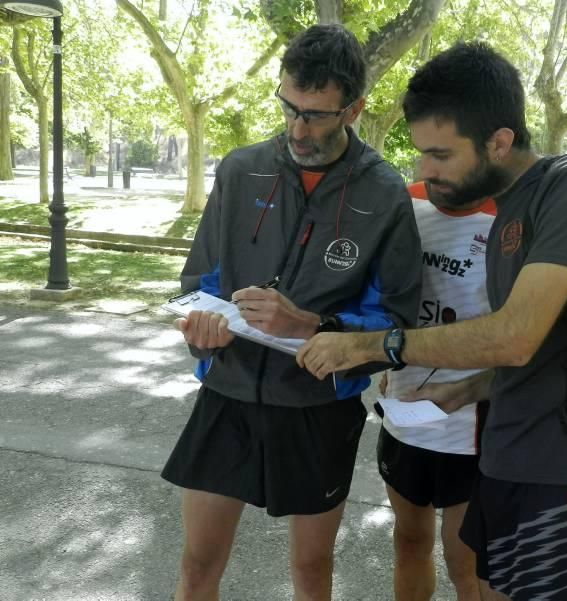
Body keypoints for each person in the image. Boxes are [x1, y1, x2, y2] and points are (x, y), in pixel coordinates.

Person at [297, 42, 567, 601]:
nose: (424, 171)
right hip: (505, 454)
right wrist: (472, 388)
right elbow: (551, 349)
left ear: (498, 142)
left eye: (439, 155)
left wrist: (371, 346)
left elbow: (516, 337)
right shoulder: (513, 211)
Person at [162, 24, 422, 601]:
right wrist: (203, 332)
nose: (298, 129)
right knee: (197, 566)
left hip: (316, 408)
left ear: (353, 108)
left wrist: (311, 326)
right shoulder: (240, 169)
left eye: (317, 115)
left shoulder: (383, 194)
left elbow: (399, 324)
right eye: (289, 108)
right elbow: (198, 281)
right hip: (227, 395)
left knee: (310, 571)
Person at [377, 178, 496, 601]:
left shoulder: (513, 216)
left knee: (465, 561)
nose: (430, 164)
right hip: (405, 411)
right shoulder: (408, 200)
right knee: (409, 541)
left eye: (443, 153)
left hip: (470, 427)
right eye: (425, 151)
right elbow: (387, 292)